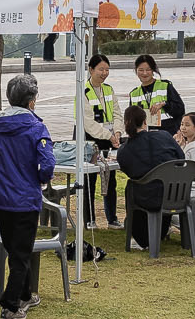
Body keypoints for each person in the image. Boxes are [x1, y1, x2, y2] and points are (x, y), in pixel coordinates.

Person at [0, 73, 58, 319]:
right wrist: (41, 177)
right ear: (31, 102)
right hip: (27, 198)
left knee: (16, 250)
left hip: (2, 198)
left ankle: (26, 294)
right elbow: (48, 162)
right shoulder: (36, 126)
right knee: (21, 252)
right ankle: (11, 305)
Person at [116, 104, 188, 249]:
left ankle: (139, 235)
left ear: (126, 125)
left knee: (132, 186)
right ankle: (163, 229)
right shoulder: (164, 136)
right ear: (145, 121)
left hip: (146, 198)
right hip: (175, 194)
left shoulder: (125, 150)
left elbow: (129, 171)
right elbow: (181, 159)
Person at [80, 54, 122, 230]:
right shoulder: (83, 90)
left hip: (110, 140)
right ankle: (89, 220)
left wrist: (118, 132)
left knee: (110, 179)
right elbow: (87, 122)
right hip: (90, 140)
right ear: (91, 70)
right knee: (89, 180)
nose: (104, 73)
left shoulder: (109, 90)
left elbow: (118, 113)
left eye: (107, 70)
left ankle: (112, 219)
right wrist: (108, 135)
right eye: (100, 69)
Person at [127, 53, 186, 135]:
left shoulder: (165, 86)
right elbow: (131, 121)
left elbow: (180, 109)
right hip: (146, 138)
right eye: (141, 70)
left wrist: (164, 104)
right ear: (136, 71)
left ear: (153, 70)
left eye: (148, 70)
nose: (144, 73)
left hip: (167, 135)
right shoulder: (134, 94)